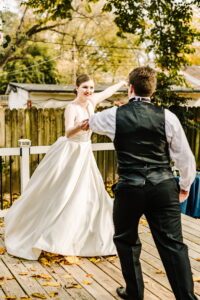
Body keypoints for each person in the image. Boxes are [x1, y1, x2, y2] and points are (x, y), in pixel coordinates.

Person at [89, 66, 198, 300]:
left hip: (130, 188)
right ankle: (187, 298)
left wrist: (111, 107)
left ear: (130, 88)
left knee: (126, 241)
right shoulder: (168, 116)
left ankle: (134, 293)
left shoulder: (112, 116)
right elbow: (185, 158)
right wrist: (185, 186)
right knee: (173, 245)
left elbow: (91, 121)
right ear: (153, 91)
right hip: (163, 187)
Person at [5, 74, 126, 260]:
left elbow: (108, 91)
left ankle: (82, 235)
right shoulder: (71, 107)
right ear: (76, 88)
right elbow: (69, 132)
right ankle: (48, 235)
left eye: (91, 88)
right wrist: (81, 126)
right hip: (70, 152)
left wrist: (122, 82)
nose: (89, 91)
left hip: (85, 152)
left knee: (88, 194)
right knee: (62, 193)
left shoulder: (92, 102)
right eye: (85, 87)